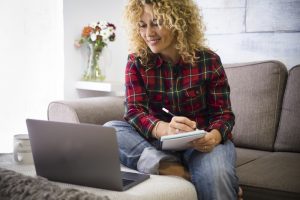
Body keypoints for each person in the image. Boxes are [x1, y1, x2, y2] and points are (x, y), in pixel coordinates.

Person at [104, 0, 241, 199]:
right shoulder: (137, 61)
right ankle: (178, 170)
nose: (148, 33)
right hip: (156, 143)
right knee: (111, 130)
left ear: (178, 22)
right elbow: (134, 112)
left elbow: (224, 114)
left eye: (157, 22)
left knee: (217, 175)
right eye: (143, 25)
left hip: (201, 145)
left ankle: (169, 167)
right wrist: (165, 129)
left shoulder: (208, 60)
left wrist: (214, 136)